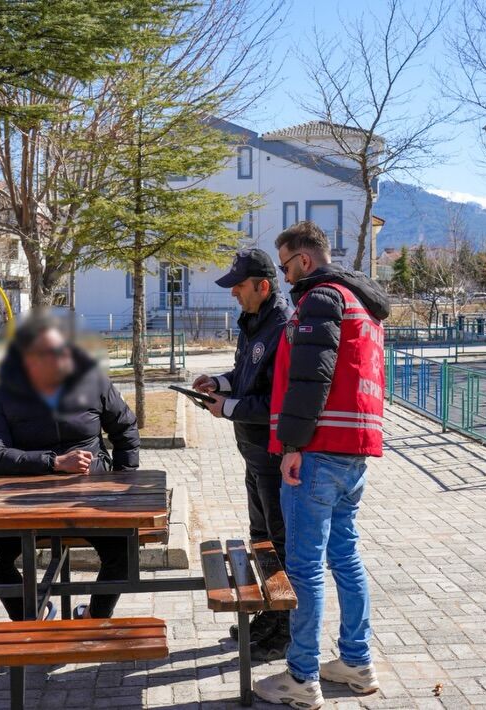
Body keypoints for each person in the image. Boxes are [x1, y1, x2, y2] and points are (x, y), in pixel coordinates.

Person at [253, 221, 390, 709]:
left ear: (304, 260)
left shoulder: (321, 300)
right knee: (345, 556)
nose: (286, 277)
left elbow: (311, 378)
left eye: (287, 266)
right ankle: (356, 662)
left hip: (319, 449)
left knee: (305, 566)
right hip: (355, 447)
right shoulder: (362, 304)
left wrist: (291, 444)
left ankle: (302, 675)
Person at [0, 313, 140, 621]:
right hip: (24, 503)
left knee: (125, 552)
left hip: (90, 500)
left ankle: (94, 616)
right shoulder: (4, 394)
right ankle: (31, 615)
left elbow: (126, 428)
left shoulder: (93, 380)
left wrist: (122, 482)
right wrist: (54, 462)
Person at [193, 248, 292, 660]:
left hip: (271, 454)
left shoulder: (283, 326)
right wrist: (218, 382)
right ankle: (268, 615)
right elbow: (246, 376)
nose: (233, 293)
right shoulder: (253, 321)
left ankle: (283, 626)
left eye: (238, 286)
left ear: (262, 286)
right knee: (261, 537)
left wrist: (228, 408)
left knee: (279, 542)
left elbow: (278, 399)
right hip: (252, 452)